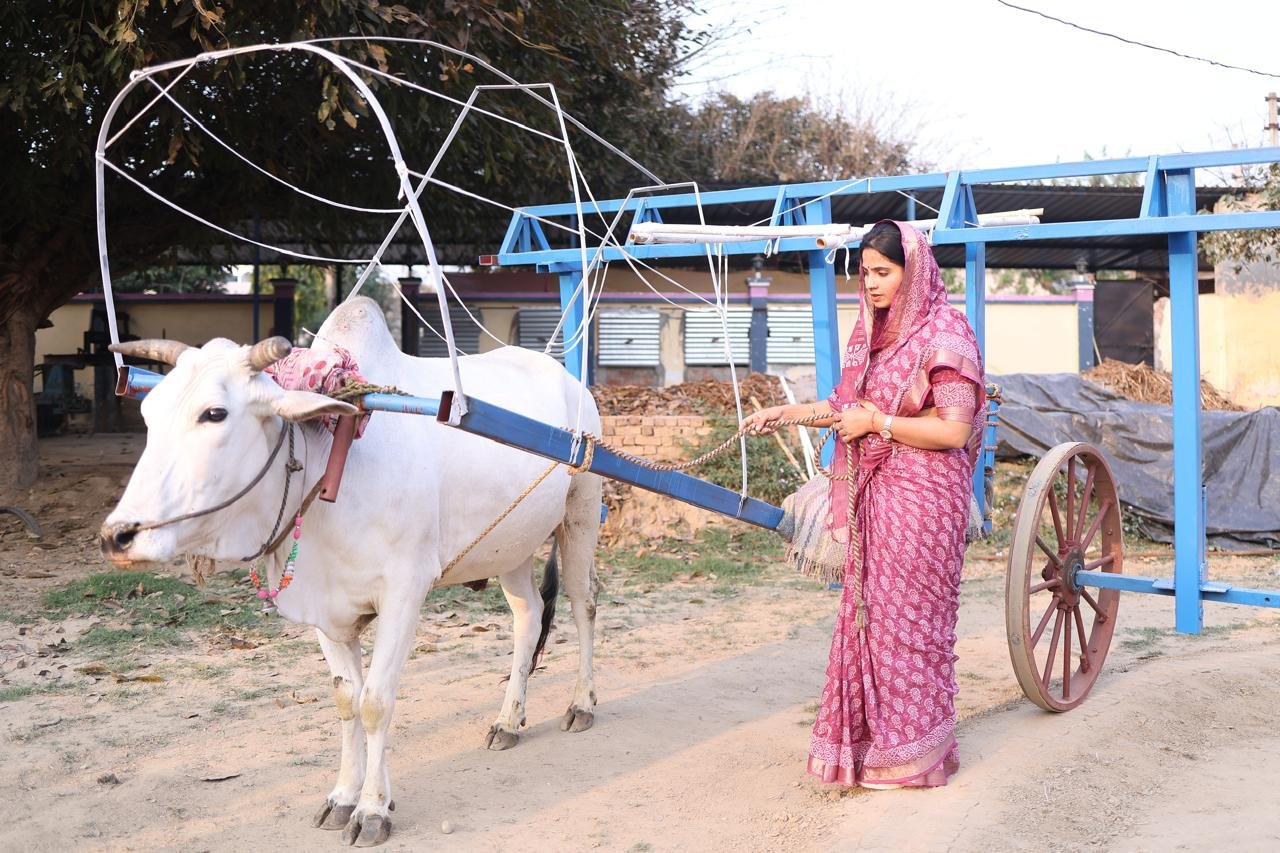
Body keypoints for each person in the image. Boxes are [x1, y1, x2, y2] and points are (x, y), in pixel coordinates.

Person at [744, 220, 985, 789]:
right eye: (865, 273)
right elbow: (844, 406)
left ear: (913, 271)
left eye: (883, 272)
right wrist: (785, 414)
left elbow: (954, 431)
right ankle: (872, 746)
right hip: (873, 490)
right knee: (868, 618)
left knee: (909, 623)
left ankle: (916, 755)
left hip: (925, 494)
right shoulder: (871, 336)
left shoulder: (944, 332)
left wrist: (878, 422)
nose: (872, 285)